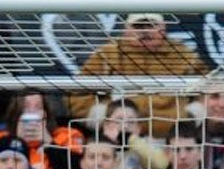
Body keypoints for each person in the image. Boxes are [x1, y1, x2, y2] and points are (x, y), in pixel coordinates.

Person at [69, 14, 209, 139]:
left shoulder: (184, 55)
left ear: (163, 28)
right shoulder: (107, 55)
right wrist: (106, 115)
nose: (145, 31)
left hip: (172, 138)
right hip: (118, 138)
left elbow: (208, 88)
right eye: (138, 26)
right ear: (126, 29)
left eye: (151, 25)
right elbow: (78, 94)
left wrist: (192, 115)